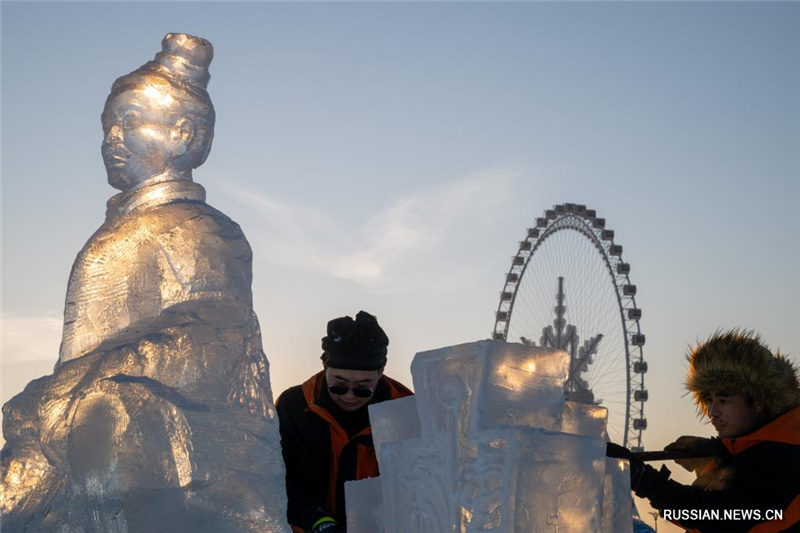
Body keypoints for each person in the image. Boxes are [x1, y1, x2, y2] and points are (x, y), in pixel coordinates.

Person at [608, 329, 799, 532]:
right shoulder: (759, 452)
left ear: (759, 401)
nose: (712, 412)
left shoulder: (786, 460)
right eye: (708, 400)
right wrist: (717, 454)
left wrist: (644, 480)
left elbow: (719, 516)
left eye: (723, 400)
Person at [276, 311, 413, 533]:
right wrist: (318, 523)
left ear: (380, 372)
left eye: (362, 387)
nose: (349, 396)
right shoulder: (293, 405)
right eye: (338, 385)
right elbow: (275, 476)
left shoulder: (406, 409)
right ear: (325, 367)